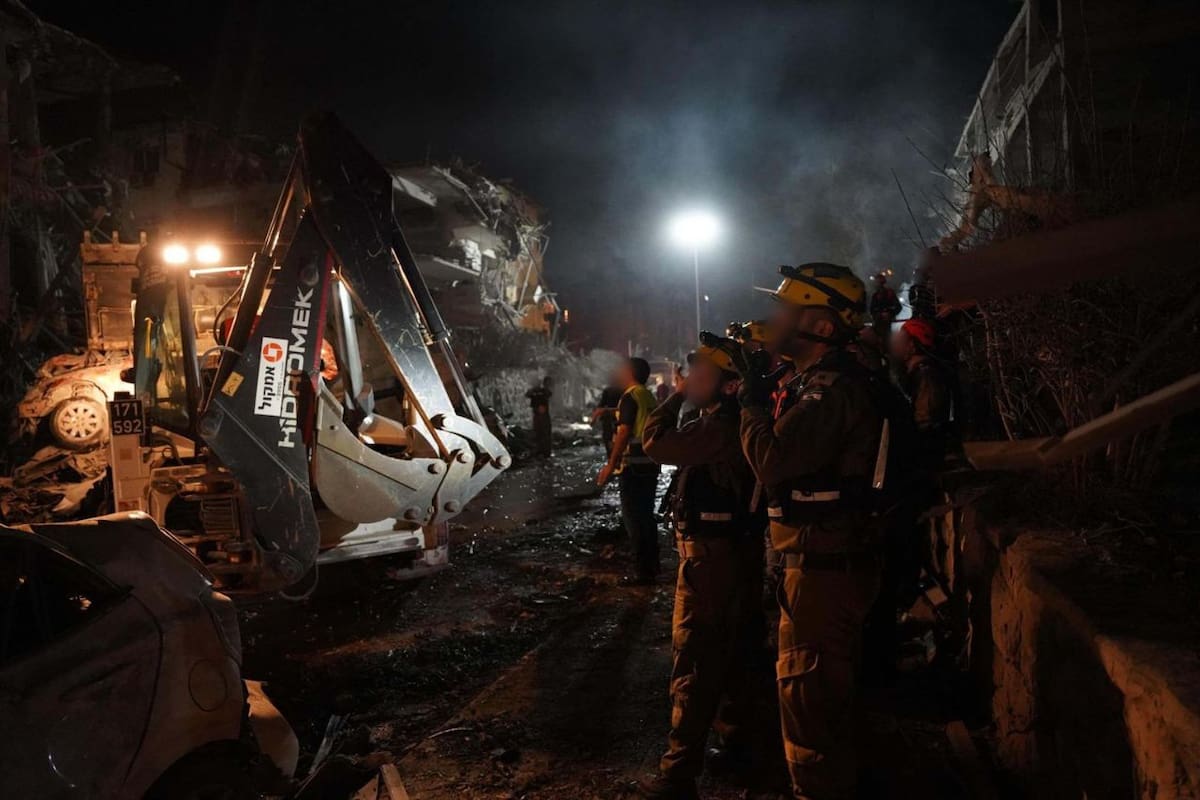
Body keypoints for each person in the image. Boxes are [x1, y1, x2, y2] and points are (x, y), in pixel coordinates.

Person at [741, 263, 887, 800]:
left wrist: (749, 406)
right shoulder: (811, 383)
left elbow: (772, 460)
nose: (775, 319)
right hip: (813, 563)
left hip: (825, 571)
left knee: (810, 712)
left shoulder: (833, 388)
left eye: (788, 310)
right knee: (814, 704)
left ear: (822, 328)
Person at [637, 336, 762, 800]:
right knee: (734, 654)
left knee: (695, 657)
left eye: (704, 375)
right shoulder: (722, 421)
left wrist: (672, 398)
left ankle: (678, 773)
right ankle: (737, 747)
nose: (693, 380)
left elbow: (656, 443)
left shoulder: (720, 427)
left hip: (713, 561)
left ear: (730, 387)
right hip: (728, 555)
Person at [597, 357, 661, 584]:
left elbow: (624, 432)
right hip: (650, 465)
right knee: (646, 516)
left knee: (633, 520)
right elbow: (634, 414)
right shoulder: (645, 395)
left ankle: (643, 573)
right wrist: (609, 410)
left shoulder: (629, 396)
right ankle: (653, 565)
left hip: (633, 467)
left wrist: (610, 466)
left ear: (630, 373)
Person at [890, 318, 954, 468]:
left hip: (926, 453)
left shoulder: (926, 376)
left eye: (901, 341)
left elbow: (925, 419)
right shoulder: (916, 375)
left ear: (912, 345)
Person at [869, 270, 902, 346]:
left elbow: (898, 307)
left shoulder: (889, 293)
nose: (876, 284)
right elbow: (872, 310)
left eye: (877, 282)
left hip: (886, 324)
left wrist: (889, 313)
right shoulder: (875, 295)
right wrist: (878, 315)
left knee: (886, 343)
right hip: (878, 323)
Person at [591, 384, 623, 457]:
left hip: (609, 421)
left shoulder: (608, 391)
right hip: (618, 421)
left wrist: (593, 420)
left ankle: (612, 460)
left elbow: (600, 407)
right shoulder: (625, 390)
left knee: (610, 442)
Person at [525, 376, 553, 458]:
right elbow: (527, 394)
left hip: (542, 416)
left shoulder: (543, 391)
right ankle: (541, 451)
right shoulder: (536, 391)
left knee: (544, 434)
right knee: (540, 434)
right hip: (539, 416)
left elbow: (548, 394)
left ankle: (545, 452)